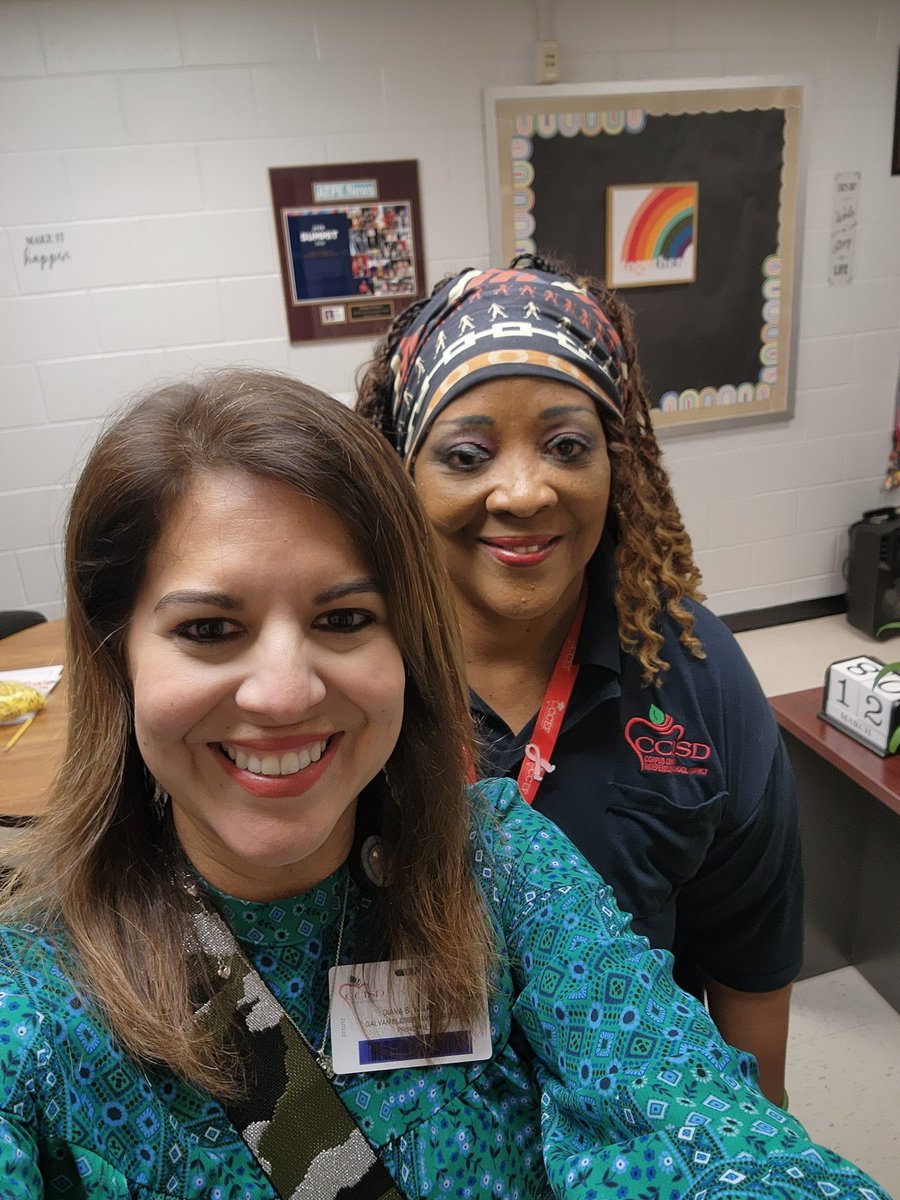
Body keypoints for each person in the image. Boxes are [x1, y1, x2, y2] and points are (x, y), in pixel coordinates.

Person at [0, 369, 887, 1200]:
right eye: (208, 628)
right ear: (116, 659)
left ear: (409, 646)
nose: (284, 692)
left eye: (344, 618)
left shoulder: (505, 869)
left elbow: (683, 1111)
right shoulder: (33, 1002)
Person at [356, 255, 803, 1107]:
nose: (524, 492)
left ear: (616, 465)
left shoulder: (698, 676)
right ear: (400, 477)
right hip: (403, 1128)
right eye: (466, 454)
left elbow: (749, 969)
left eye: (567, 445)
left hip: (630, 1129)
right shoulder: (344, 669)